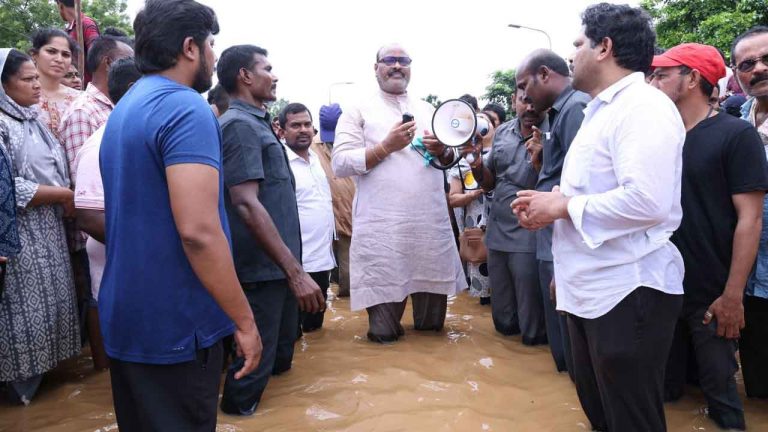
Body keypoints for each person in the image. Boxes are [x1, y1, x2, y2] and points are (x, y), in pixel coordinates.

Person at [512, 4, 686, 431]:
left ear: (604, 47)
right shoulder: (599, 110)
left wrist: (563, 207)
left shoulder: (643, 106)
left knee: (632, 418)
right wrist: (553, 205)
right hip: (591, 286)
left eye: (578, 44)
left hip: (629, 289)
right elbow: (597, 194)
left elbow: (648, 202)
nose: (572, 55)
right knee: (601, 414)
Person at [98, 1, 262, 429]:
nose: (213, 56)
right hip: (176, 324)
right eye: (211, 45)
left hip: (127, 318)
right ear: (190, 47)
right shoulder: (185, 108)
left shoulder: (127, 107)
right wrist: (244, 321)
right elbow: (199, 232)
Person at [649, 42, 768, 431]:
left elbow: (750, 220)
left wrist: (732, 296)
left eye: (663, 73)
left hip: (711, 294)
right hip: (662, 287)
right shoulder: (658, 139)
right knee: (665, 394)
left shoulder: (735, 136)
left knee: (723, 404)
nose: (654, 80)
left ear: (693, 78)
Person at [215, 44, 323, 416]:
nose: (274, 76)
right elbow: (245, 203)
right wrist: (295, 274)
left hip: (278, 272)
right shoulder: (239, 127)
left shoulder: (258, 124)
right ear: (245, 76)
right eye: (267, 68)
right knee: (248, 377)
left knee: (279, 366)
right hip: (261, 275)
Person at [332, 43, 466, 343]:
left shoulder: (430, 110)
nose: (396, 66)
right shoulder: (357, 111)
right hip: (384, 235)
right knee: (383, 334)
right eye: (389, 60)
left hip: (428, 232)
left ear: (410, 66)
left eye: (403, 60)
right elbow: (340, 163)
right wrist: (384, 148)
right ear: (376, 67)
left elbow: (449, 162)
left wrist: (443, 150)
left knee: (433, 334)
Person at [0, 48, 79, 404]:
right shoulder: (2, 123)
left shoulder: (32, 119)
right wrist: (63, 194)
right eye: (27, 79)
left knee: (51, 309)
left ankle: (43, 399)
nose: (37, 85)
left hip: (48, 229)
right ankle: (17, 393)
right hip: (18, 235)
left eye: (37, 78)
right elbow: (10, 186)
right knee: (21, 316)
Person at [515, 49, 590, 374]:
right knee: (562, 338)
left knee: (571, 341)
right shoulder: (560, 112)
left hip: (565, 233)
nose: (524, 96)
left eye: (524, 85)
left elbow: (581, 184)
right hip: (554, 233)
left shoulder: (574, 109)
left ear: (544, 74)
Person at [72, 57, 142, 372]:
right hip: (120, 268)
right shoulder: (99, 145)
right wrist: (146, 249)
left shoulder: (139, 137)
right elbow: (88, 217)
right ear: (132, 90)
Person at [461, 90, 546, 341]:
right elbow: (488, 184)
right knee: (503, 319)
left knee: (532, 320)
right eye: (524, 100)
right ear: (513, 101)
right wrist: (476, 163)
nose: (530, 107)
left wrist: (540, 159)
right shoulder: (503, 133)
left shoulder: (553, 130)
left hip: (530, 233)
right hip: (498, 234)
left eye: (535, 100)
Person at [733, 25, 768, 400]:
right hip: (749, 278)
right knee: (757, 388)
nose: (758, 69)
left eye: (766, 59)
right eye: (747, 64)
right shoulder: (736, 121)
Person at [280, 103, 335, 332]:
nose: (303, 130)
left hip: (323, 261)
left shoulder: (316, 159)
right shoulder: (280, 162)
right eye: (295, 125)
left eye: (307, 124)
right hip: (298, 266)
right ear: (282, 130)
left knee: (315, 333)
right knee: (294, 332)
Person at [60, 35, 133, 181]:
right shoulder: (83, 112)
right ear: (108, 62)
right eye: (128, 59)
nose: (135, 66)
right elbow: (83, 180)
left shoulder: (117, 106)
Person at [447, 111, 495, 304]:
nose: (481, 126)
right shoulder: (462, 160)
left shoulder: (505, 152)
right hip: (476, 230)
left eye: (486, 121)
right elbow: (452, 199)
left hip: (505, 226)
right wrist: (475, 194)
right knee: (484, 290)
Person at [314, 103, 355, 298]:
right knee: (320, 269)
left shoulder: (354, 143)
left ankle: (347, 308)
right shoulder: (312, 146)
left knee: (348, 277)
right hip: (322, 218)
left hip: (349, 216)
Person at [29, 29, 80, 143]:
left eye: (66, 55)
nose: (59, 59)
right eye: (51, 52)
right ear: (34, 55)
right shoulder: (20, 97)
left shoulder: (80, 100)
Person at [55, 0, 101, 85]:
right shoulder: (66, 31)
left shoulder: (86, 23)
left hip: (87, 87)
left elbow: (97, 55)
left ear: (60, 6)